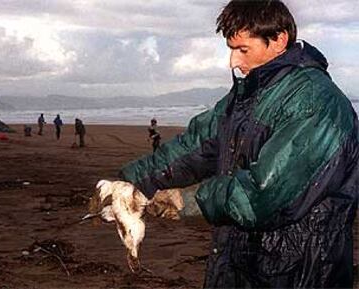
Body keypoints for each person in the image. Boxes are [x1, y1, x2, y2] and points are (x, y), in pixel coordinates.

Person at [119, 1, 359, 288]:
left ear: (279, 40)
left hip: (300, 271)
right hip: (242, 260)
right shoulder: (248, 95)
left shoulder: (316, 103)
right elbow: (194, 146)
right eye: (231, 49)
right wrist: (129, 183)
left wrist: (184, 201)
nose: (233, 61)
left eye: (243, 50)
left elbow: (263, 195)